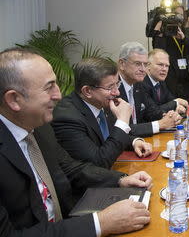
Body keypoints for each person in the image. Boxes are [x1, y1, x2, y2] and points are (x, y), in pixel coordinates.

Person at [0, 47, 152, 236]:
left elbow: (71, 168)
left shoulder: (40, 127)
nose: (58, 95)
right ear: (14, 99)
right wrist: (99, 223)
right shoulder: (54, 118)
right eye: (49, 87)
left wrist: (120, 180)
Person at [52, 57, 153, 169]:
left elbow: (111, 136)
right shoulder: (67, 118)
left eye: (117, 84)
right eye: (110, 87)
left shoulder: (100, 102)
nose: (117, 92)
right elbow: (99, 162)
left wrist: (135, 142)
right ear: (87, 91)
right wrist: (123, 122)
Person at [117, 42, 181, 136]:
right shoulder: (113, 88)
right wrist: (160, 124)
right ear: (122, 64)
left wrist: (169, 116)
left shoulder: (137, 84)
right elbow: (123, 129)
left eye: (145, 64)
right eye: (138, 64)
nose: (143, 69)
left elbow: (150, 111)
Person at [153, 4, 189, 101]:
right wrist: (161, 32)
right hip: (171, 80)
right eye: (176, 14)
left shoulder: (186, 31)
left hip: (187, 80)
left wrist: (184, 38)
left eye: (181, 15)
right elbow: (158, 52)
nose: (178, 18)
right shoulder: (163, 32)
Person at [142, 49, 189, 114]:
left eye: (167, 66)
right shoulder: (141, 84)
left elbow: (170, 100)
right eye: (160, 65)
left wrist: (177, 106)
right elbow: (153, 111)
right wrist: (176, 103)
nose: (164, 69)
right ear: (148, 66)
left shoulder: (161, 82)